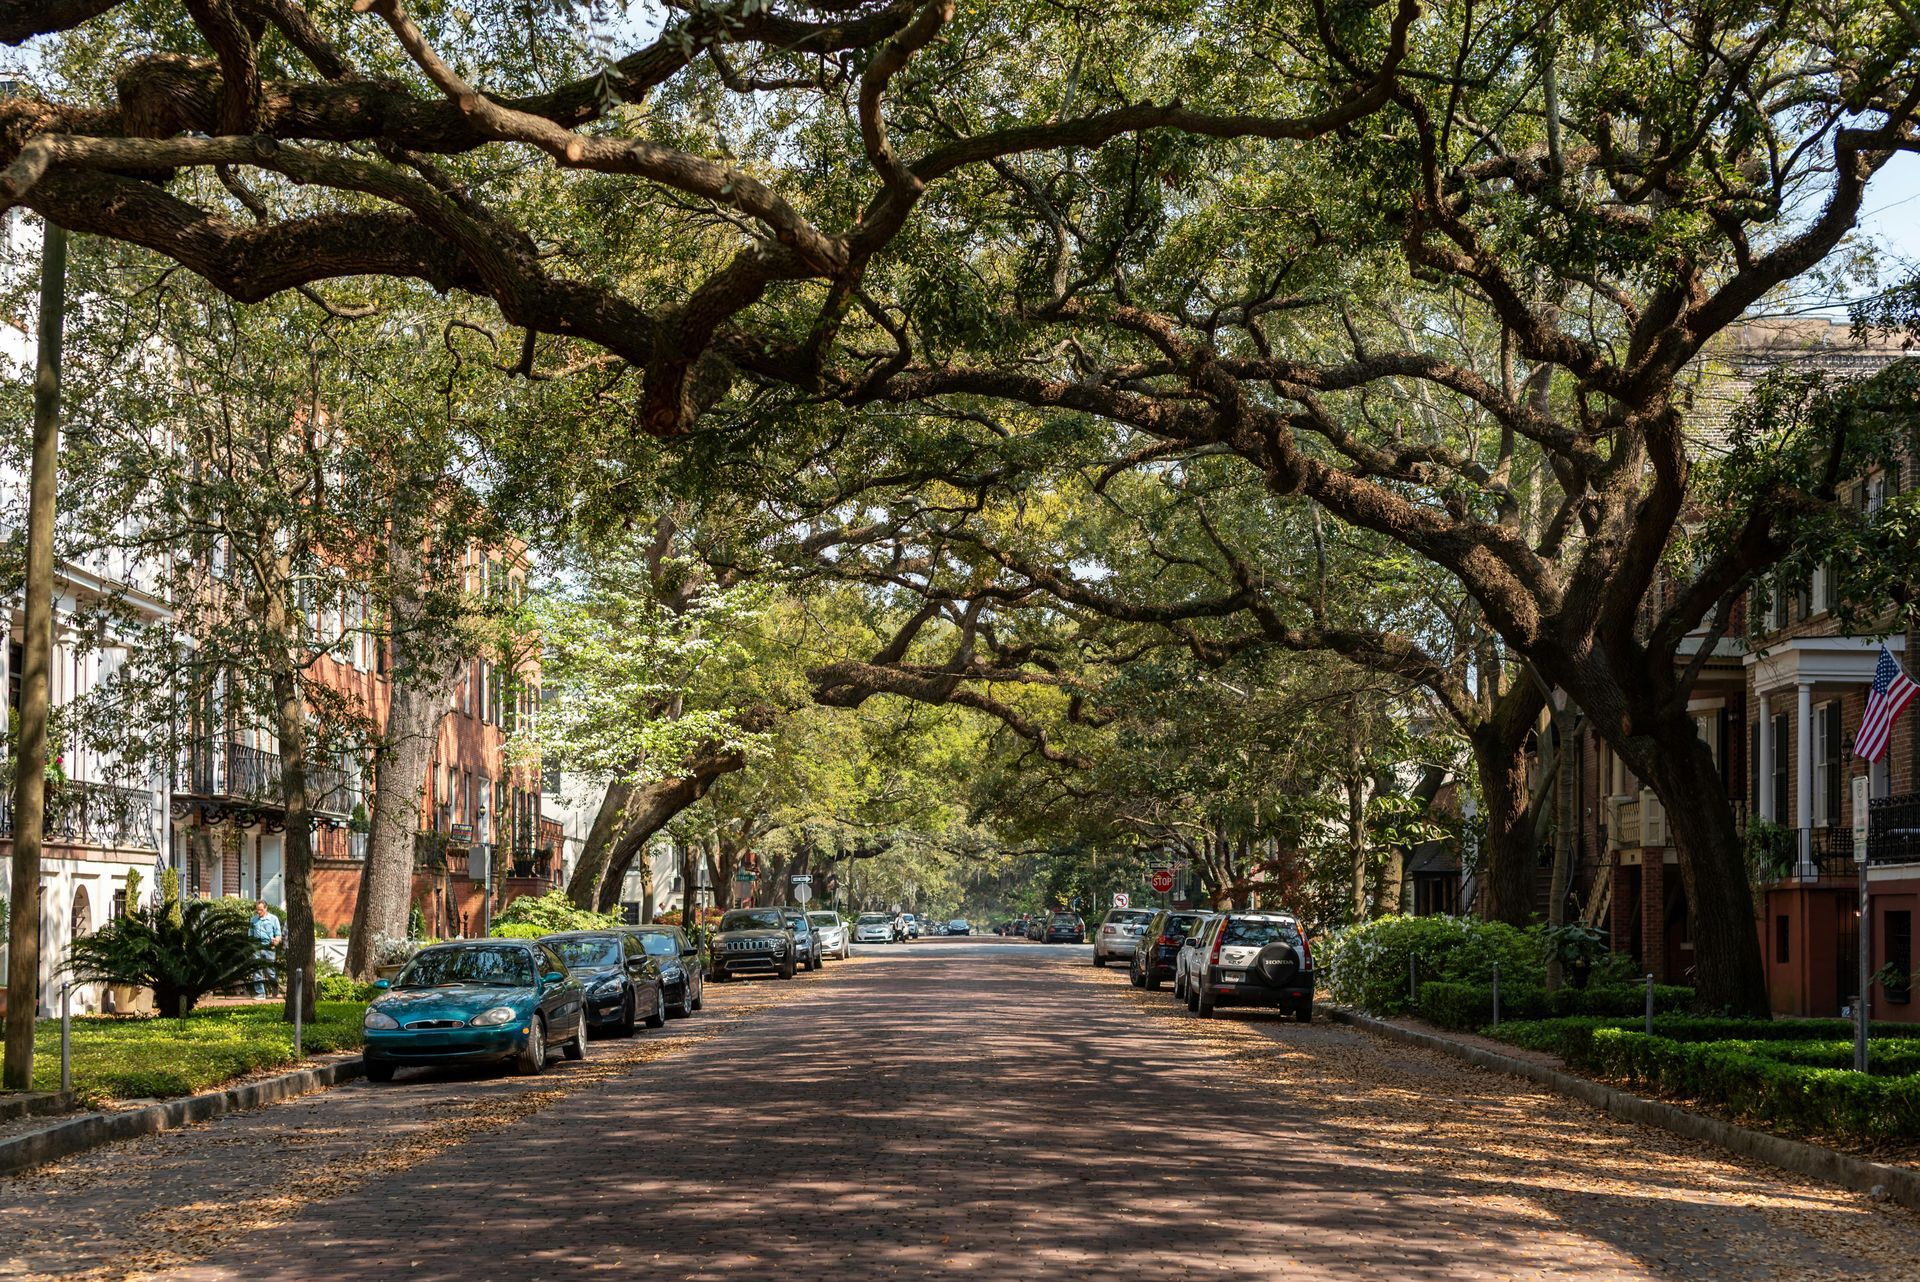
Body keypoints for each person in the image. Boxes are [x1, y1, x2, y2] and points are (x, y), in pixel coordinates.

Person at [250, 900, 283, 997]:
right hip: (257, 947)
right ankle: (260, 993)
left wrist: (275, 941)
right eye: (257, 910)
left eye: (261, 910)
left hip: (269, 946)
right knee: (257, 971)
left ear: (266, 908)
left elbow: (278, 934)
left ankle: (275, 988)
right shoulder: (253, 920)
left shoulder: (273, 919)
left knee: (270, 972)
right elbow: (250, 933)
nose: (259, 912)